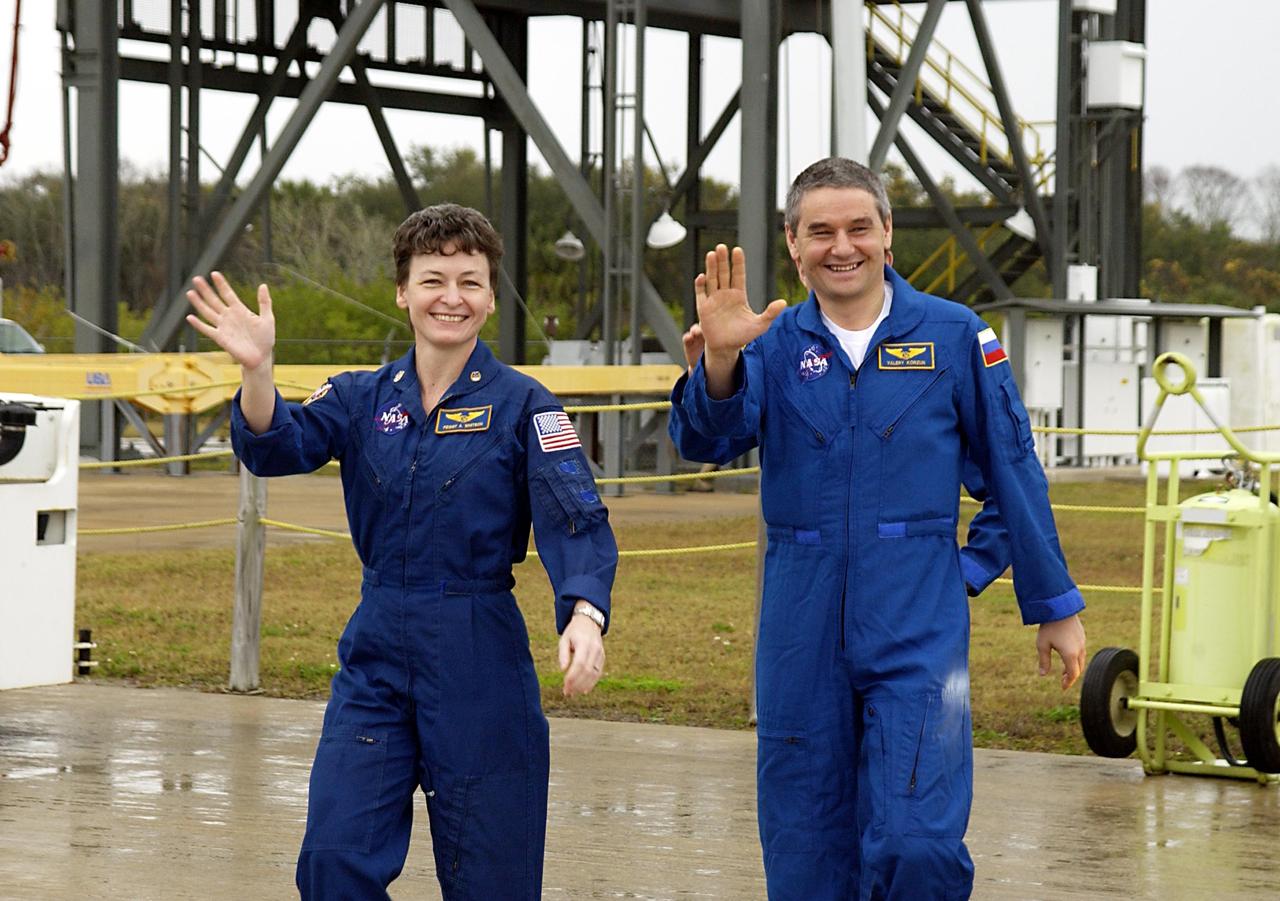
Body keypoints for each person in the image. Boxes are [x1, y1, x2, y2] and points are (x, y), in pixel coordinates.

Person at [669, 157, 1086, 900]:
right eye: (820, 231)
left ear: (887, 234)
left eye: (859, 226)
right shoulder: (767, 342)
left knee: (916, 840)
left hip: (916, 627)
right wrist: (723, 362)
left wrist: (1042, 600)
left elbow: (1013, 470)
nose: (842, 246)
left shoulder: (956, 337)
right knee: (806, 847)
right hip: (799, 626)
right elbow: (706, 439)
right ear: (794, 246)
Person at [185, 203, 617, 900]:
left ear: (490, 294)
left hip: (479, 653)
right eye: (433, 278)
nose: (452, 297)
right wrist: (258, 371)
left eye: (471, 282)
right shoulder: (360, 398)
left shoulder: (526, 405)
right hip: (378, 651)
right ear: (402, 290)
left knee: (492, 880)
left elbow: (576, 518)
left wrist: (585, 613)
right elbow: (277, 446)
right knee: (333, 860)